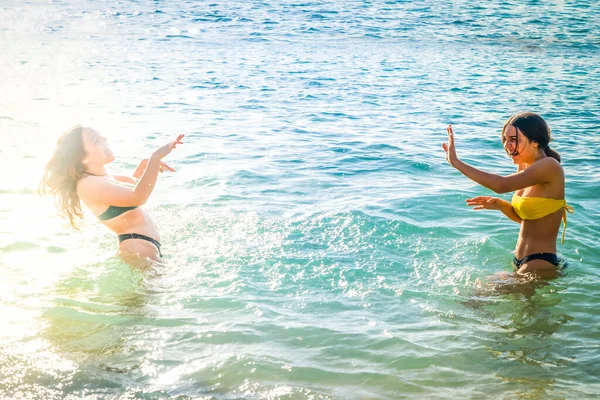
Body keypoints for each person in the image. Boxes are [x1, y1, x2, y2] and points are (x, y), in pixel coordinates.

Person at [442, 112, 573, 278]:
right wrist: (501, 205)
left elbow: (501, 185)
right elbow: (528, 219)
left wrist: (457, 163)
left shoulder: (549, 166)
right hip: (522, 260)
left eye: (513, 139)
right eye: (505, 139)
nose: (507, 145)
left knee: (476, 298)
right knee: (481, 299)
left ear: (535, 141)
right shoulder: (526, 166)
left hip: (539, 262)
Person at [40, 125, 184, 264]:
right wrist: (155, 158)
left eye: (100, 135)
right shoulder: (87, 184)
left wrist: (143, 167)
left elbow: (127, 196)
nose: (104, 138)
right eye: (96, 140)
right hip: (138, 249)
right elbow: (138, 197)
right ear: (83, 157)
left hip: (142, 246)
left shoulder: (100, 176)